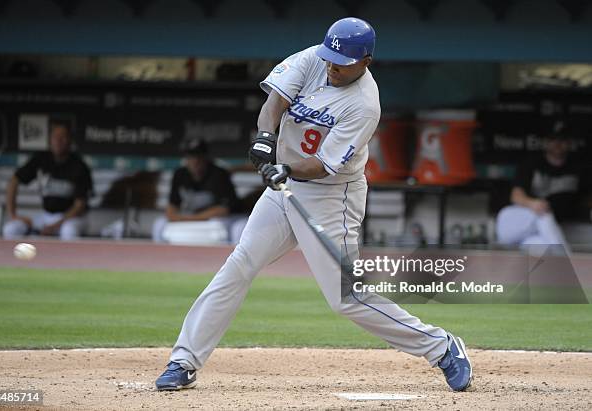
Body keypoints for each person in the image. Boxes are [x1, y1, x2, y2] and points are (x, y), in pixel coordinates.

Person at [155, 17, 472, 392]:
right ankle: (184, 360)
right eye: (330, 59)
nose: (332, 67)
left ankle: (441, 346)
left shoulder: (364, 106)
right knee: (239, 265)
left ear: (365, 61)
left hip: (330, 195)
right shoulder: (313, 59)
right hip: (283, 188)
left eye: (343, 63)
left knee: (345, 297)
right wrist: (265, 140)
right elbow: (275, 102)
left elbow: (321, 166)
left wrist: (284, 167)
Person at [496, 121, 584, 254]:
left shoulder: (577, 167)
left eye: (562, 140)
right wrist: (533, 203)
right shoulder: (532, 163)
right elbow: (516, 196)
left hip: (538, 232)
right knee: (544, 211)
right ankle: (570, 262)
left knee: (541, 247)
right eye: (553, 139)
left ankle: (563, 268)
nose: (557, 144)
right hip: (513, 220)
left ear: (569, 142)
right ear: (545, 141)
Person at [3, 120, 93, 241]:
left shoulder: (79, 166)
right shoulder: (41, 159)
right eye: (55, 137)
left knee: (69, 232)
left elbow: (79, 206)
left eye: (63, 137)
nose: (59, 141)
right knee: (11, 229)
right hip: (46, 216)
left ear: (70, 140)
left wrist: (54, 226)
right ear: (50, 140)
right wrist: (13, 215)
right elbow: (14, 181)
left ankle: (69, 260)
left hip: (72, 218)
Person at [152, 139, 243, 244]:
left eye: (198, 156)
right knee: (159, 224)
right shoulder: (180, 174)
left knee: (235, 229)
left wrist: (189, 219)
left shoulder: (218, 174)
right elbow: (172, 205)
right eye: (190, 156)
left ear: (205, 157)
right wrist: (175, 216)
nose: (195, 161)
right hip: (191, 217)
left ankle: (228, 258)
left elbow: (223, 210)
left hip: (222, 219)